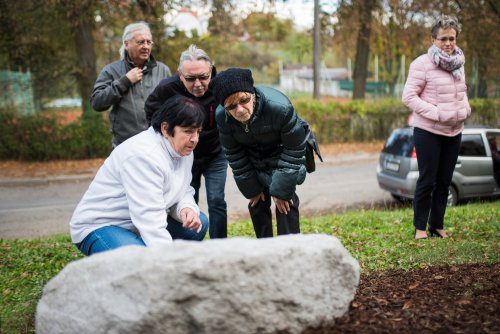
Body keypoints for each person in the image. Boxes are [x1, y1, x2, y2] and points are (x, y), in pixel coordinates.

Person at [70, 95, 209, 256]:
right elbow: (150, 218)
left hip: (138, 222)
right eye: (188, 131)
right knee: (138, 262)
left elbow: (182, 189)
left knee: (199, 222)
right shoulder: (143, 156)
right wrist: (169, 262)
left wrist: (186, 208)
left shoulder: (183, 149)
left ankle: (145, 250)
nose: (195, 139)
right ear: (165, 129)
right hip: (102, 225)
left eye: (198, 131)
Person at [209, 68, 308, 238]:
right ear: (224, 107)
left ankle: (290, 248)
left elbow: (294, 148)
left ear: (252, 93)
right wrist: (251, 187)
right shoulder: (222, 117)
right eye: (231, 106)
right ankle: (264, 247)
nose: (239, 109)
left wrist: (281, 189)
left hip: (281, 151)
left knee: (285, 199)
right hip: (252, 154)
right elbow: (234, 153)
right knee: (257, 201)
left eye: (244, 100)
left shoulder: (280, 107)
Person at [145, 45, 228, 239]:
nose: (198, 84)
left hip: (216, 153)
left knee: (217, 200)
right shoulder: (167, 88)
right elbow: (151, 112)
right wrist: (166, 141)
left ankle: (220, 244)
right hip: (184, 156)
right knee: (188, 200)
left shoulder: (221, 85)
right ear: (180, 74)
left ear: (211, 71)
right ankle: (191, 243)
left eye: (203, 77)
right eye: (190, 79)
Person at [402, 16, 471, 240]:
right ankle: (420, 228)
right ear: (433, 39)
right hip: (428, 132)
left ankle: (437, 225)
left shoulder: (459, 63)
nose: (448, 43)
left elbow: (462, 92)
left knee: (444, 181)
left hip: (454, 131)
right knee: (427, 181)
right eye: (443, 39)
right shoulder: (421, 64)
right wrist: (437, 113)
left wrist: (465, 110)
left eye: (452, 38)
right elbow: (409, 97)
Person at [90, 21, 171, 148]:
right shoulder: (111, 70)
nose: (146, 46)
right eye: (141, 42)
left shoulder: (163, 70)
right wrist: (125, 81)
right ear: (126, 44)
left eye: (148, 42)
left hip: (157, 144)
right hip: (125, 145)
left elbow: (172, 105)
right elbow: (97, 102)